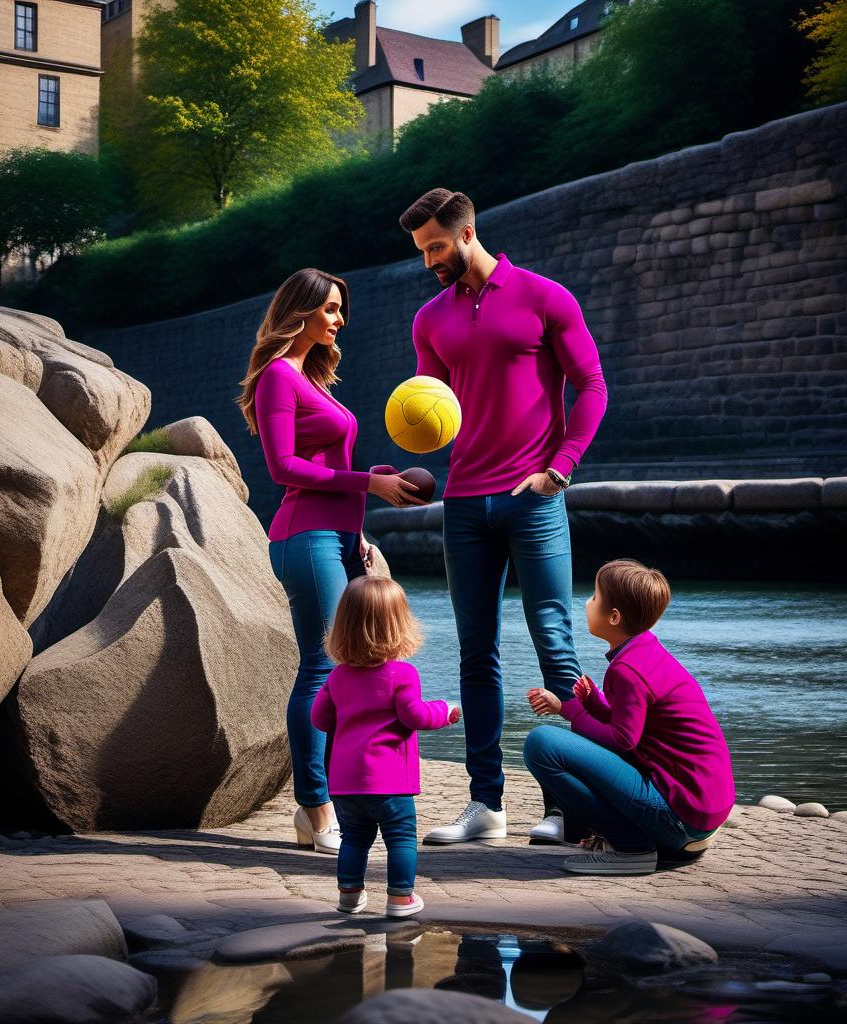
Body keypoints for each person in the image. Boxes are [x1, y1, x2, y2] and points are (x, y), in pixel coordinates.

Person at [398, 189, 608, 845]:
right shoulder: (429, 320)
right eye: (421, 251)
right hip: (463, 503)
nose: (429, 260)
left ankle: (567, 807)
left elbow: (593, 384)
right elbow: (430, 409)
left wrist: (563, 465)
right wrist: (413, 456)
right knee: (475, 654)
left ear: (466, 234)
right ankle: (485, 806)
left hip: (536, 498)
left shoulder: (546, 297)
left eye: (436, 246)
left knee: (555, 644)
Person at [238, 268, 426, 854]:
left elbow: (331, 470)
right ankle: (315, 810)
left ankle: (335, 798)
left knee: (352, 669)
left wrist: (363, 523)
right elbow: (283, 469)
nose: (339, 320)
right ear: (301, 311)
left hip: (340, 536)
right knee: (321, 669)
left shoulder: (312, 380)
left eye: (341, 310)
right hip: (305, 536)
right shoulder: (276, 378)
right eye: (330, 309)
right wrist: (366, 485)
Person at [524, 559, 735, 875]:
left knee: (542, 743)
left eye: (594, 597)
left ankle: (631, 847)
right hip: (700, 816)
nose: (587, 603)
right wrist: (593, 704)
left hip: (682, 820)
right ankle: (615, 836)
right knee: (570, 740)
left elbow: (623, 740)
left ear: (613, 617)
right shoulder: (646, 652)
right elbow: (636, 727)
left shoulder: (627, 670)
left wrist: (571, 710)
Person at [311, 576, 461, 916]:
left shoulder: (337, 676)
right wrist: (445, 710)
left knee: (354, 839)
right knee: (401, 839)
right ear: (400, 625)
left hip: (346, 782)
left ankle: (349, 895)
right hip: (390, 780)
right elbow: (415, 716)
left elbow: (320, 719)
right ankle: (400, 898)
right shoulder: (403, 674)